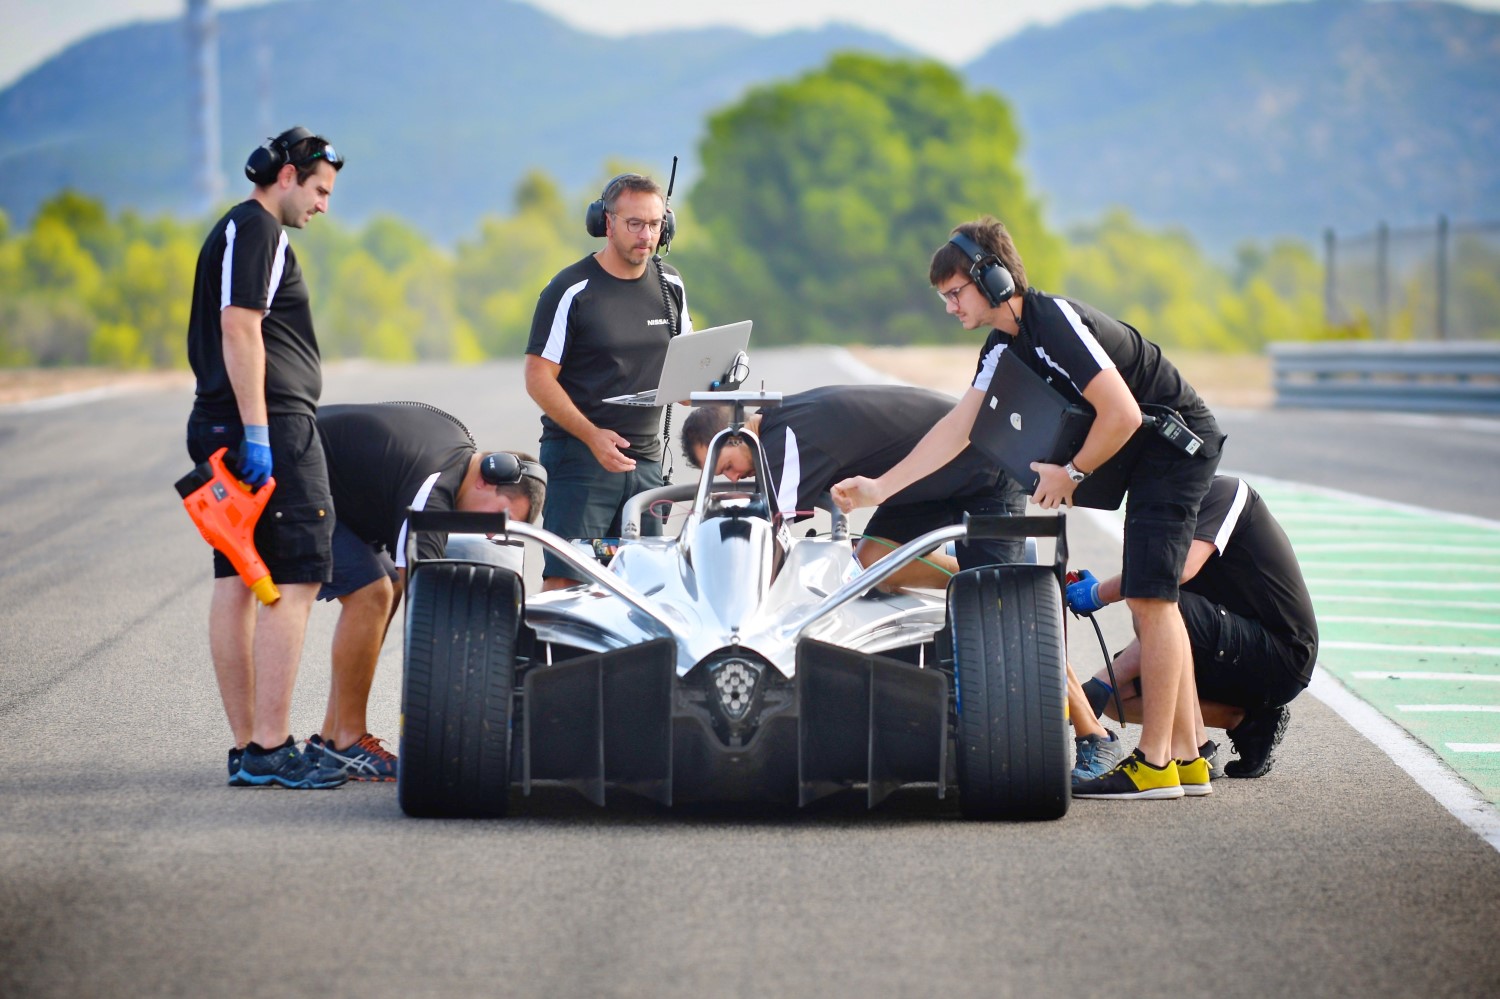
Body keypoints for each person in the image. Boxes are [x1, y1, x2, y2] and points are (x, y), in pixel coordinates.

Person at [831, 216, 1225, 800]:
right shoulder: (1003, 348)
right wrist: (880, 489)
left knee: (1151, 598)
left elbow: (1123, 414)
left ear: (992, 279)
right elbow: (959, 427)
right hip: (1149, 455)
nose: (949, 307)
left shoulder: (1054, 322)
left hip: (1175, 445)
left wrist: (1072, 473)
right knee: (1152, 596)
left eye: (955, 293)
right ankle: (1186, 761)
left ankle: (1156, 764)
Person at [185, 125, 345, 789]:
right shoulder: (258, 231)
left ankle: (252, 744)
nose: (322, 206)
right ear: (287, 177)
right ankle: (273, 745)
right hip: (267, 424)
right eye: (318, 190)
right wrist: (258, 432)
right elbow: (239, 325)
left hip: (227, 419)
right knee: (298, 576)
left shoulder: (235, 229)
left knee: (240, 577)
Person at [308, 402, 546, 780]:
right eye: (497, 518)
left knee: (390, 584)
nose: (488, 533)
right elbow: (426, 612)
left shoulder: (456, 454)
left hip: (320, 479)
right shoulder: (433, 490)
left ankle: (331, 736)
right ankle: (346, 742)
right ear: (487, 477)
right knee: (374, 592)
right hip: (284, 476)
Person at [1069, 475, 1318, 778]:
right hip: (1225, 646)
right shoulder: (1161, 515)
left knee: (1153, 599)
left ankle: (1192, 752)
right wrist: (1105, 685)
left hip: (1280, 655)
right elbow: (1165, 633)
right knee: (1116, 698)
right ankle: (1247, 723)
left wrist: (1098, 595)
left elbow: (1174, 576)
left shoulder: (1224, 493)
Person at [680, 384, 1028, 588]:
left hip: (985, 469)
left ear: (739, 435)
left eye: (727, 465)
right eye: (720, 474)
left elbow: (770, 544)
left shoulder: (783, 444)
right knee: (872, 566)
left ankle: (997, 577)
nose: (734, 478)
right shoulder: (778, 422)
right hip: (923, 485)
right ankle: (968, 573)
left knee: (998, 602)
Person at [524, 173, 692, 592]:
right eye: (635, 223)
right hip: (581, 461)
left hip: (647, 464)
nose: (646, 235)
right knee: (568, 580)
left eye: (655, 224)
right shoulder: (571, 288)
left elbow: (687, 371)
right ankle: (557, 660)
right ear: (606, 222)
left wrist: (713, 387)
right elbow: (538, 377)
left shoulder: (670, 285)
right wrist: (592, 436)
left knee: (646, 586)